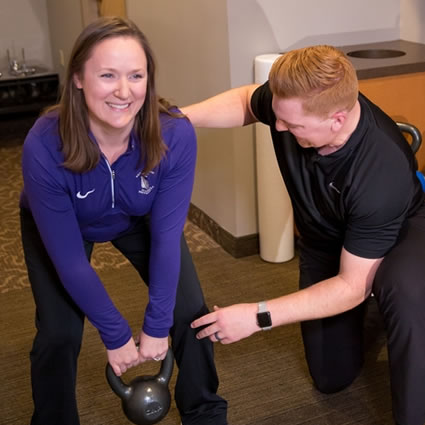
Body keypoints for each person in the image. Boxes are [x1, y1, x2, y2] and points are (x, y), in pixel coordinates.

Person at [183, 45, 425, 425]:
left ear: (336, 119)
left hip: (401, 232)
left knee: (404, 291)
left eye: (292, 126)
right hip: (325, 237)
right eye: (279, 118)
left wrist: (258, 316)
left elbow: (349, 285)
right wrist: (179, 119)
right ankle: (371, 312)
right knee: (331, 378)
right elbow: (249, 101)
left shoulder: (381, 171)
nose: (278, 128)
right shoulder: (291, 105)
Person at [20, 16, 227, 425]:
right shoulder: (44, 144)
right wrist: (115, 335)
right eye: (107, 75)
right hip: (63, 225)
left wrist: (156, 325)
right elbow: (70, 264)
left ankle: (205, 411)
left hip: (138, 218)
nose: (123, 90)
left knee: (190, 312)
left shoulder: (175, 134)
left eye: (136, 75)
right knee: (59, 334)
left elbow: (167, 238)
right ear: (78, 77)